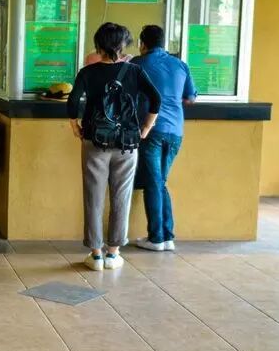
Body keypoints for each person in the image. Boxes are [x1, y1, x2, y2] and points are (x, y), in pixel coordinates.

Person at [67, 23, 161, 271]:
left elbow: (73, 101)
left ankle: (95, 255)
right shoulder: (134, 71)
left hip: (94, 141)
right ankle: (113, 253)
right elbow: (156, 99)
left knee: (93, 197)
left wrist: (75, 126)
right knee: (121, 197)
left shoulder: (87, 72)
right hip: (127, 143)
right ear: (123, 46)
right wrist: (146, 128)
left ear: (98, 45)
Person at [131, 25, 197, 252]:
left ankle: (157, 238)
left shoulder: (138, 64)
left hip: (151, 130)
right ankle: (167, 236)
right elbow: (190, 98)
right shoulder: (180, 64)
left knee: (153, 183)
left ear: (142, 44)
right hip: (176, 131)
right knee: (159, 182)